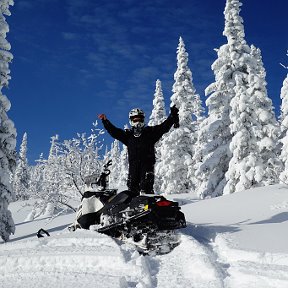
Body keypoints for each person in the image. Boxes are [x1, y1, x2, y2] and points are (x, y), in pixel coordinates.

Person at [98, 106, 179, 196]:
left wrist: (172, 116)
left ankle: (151, 208)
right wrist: (105, 121)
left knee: (146, 190)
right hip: (133, 169)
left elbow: (164, 127)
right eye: (135, 120)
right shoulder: (128, 135)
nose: (138, 122)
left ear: (143, 120)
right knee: (132, 193)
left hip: (147, 167)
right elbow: (115, 132)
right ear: (131, 121)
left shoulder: (150, 132)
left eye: (140, 120)